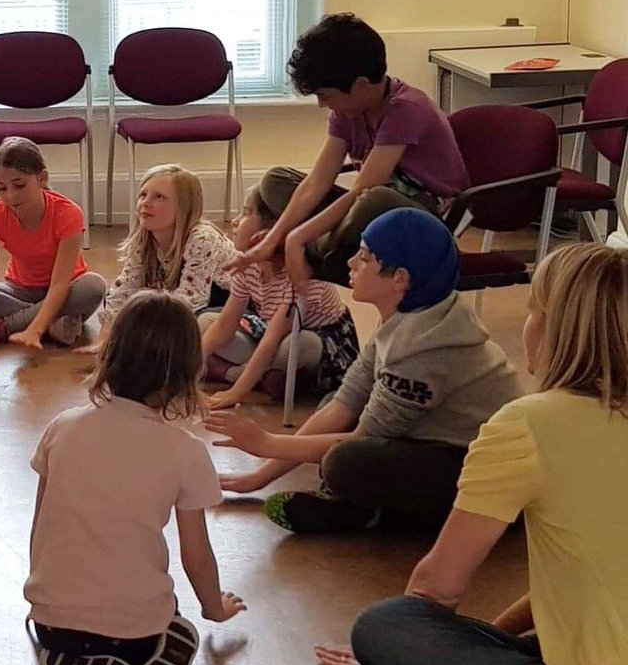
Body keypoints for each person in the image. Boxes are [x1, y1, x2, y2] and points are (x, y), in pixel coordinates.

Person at [315, 243, 628, 665]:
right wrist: (491, 645)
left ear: (555, 329)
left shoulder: (531, 423)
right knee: (564, 643)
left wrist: (416, 664)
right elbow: (587, 575)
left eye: (534, 311)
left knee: (386, 627)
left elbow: (438, 588)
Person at [210, 208, 520, 533]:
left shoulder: (424, 347)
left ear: (399, 278)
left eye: (365, 257)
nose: (351, 264)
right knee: (333, 407)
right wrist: (258, 477)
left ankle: (375, 515)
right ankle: (361, 505)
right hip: (436, 441)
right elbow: (345, 402)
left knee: (346, 462)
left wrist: (267, 443)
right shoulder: (408, 316)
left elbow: (364, 439)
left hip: (478, 468)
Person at [26, 291, 246, 665]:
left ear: (110, 354)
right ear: (188, 371)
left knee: (74, 630)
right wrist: (214, 607)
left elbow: (41, 525)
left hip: (52, 621)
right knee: (174, 622)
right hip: (136, 632)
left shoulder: (62, 427)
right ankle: (157, 656)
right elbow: (195, 554)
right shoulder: (185, 451)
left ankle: (68, 663)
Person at [231, 13, 468, 289]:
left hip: (425, 216)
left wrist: (294, 236)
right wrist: (276, 239)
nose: (322, 105)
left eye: (326, 96)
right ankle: (318, 245)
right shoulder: (347, 110)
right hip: (363, 208)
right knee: (274, 181)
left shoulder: (406, 109)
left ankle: (312, 247)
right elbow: (317, 183)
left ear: (361, 85)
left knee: (373, 199)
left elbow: (362, 191)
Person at [200, 186, 359, 407]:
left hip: (316, 342)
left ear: (271, 230)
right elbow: (225, 324)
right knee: (205, 323)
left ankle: (258, 375)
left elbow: (273, 339)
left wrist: (235, 394)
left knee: (296, 346)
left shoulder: (303, 276)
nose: (235, 221)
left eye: (246, 213)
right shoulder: (247, 265)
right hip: (267, 331)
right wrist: (187, 371)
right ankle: (249, 374)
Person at [0, 137, 106, 352]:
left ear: (42, 178)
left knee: (94, 286)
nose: (10, 196)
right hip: (19, 290)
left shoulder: (69, 213)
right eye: (1, 188)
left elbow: (60, 284)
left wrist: (35, 331)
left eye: (19, 185)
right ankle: (55, 323)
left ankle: (4, 327)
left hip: (67, 289)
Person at [81, 165, 236, 355]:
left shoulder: (202, 239)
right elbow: (124, 287)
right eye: (143, 195)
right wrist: (105, 338)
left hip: (220, 306)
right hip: (176, 306)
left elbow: (191, 300)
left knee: (197, 327)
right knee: (122, 304)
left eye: (159, 197)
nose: (146, 203)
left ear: (183, 206)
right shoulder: (144, 238)